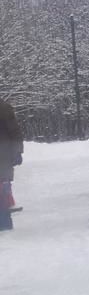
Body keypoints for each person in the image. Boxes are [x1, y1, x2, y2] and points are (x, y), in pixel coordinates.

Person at [0, 97, 23, 232]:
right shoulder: (4, 108)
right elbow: (15, 132)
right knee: (3, 187)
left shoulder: (3, 108)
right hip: (5, 154)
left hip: (3, 154)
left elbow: (15, 132)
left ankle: (4, 222)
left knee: (3, 187)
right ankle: (4, 221)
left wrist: (17, 151)